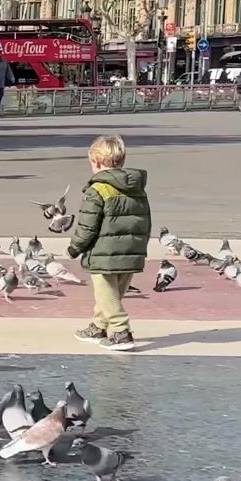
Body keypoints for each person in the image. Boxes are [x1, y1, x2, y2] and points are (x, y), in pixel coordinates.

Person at [68, 134, 151, 352]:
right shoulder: (137, 189)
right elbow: (144, 220)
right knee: (113, 294)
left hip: (103, 252)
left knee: (106, 295)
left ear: (95, 162)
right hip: (132, 250)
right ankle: (98, 326)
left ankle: (121, 331)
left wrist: (75, 247)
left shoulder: (97, 190)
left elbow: (87, 227)